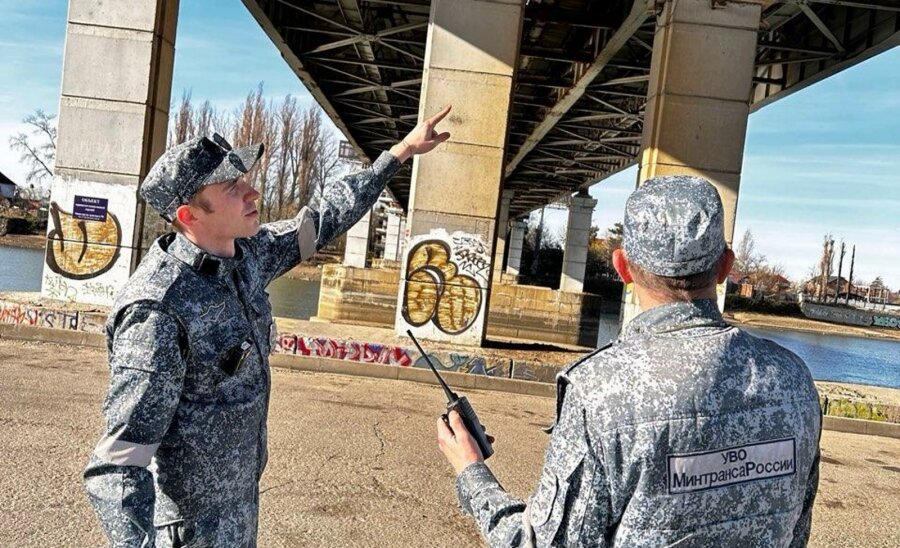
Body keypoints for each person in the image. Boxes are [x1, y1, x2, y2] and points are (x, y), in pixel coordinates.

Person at [84, 106, 452, 547]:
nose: (253, 191)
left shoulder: (247, 257)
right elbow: (119, 463)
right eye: (232, 187)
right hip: (192, 530)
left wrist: (399, 153)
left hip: (241, 510)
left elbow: (324, 218)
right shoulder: (158, 310)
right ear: (189, 215)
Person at [437, 175, 822, 547]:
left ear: (622, 268)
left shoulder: (601, 391)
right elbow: (796, 529)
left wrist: (471, 472)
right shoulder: (794, 381)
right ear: (725, 267)